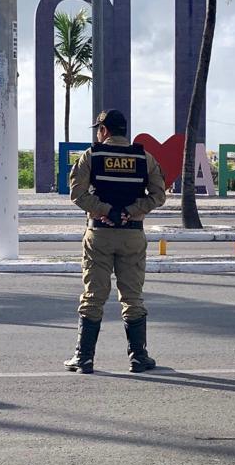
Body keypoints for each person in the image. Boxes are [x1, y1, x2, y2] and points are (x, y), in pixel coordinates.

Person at [64, 110, 167, 374]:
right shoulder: (144, 157)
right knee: (132, 297)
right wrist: (129, 211)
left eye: (98, 130)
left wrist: (105, 210)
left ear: (104, 130)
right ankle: (138, 357)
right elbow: (158, 195)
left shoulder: (92, 155)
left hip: (99, 233)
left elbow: (77, 194)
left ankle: (84, 358)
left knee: (93, 296)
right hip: (132, 234)